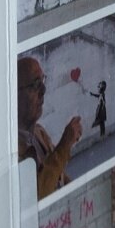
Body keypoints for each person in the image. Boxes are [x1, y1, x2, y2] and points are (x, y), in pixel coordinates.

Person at [16, 56, 83, 199]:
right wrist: (64, 145)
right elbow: (37, 195)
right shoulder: (11, 150)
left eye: (43, 81)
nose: (43, 91)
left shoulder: (39, 132)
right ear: (15, 95)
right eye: (35, 84)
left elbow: (59, 177)